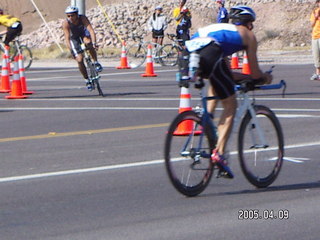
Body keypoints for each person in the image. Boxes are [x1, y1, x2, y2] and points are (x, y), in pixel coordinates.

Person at [181, 5, 272, 178]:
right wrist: (265, 77)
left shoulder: (220, 30)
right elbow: (255, 73)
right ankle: (219, 154)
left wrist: (242, 76)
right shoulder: (248, 35)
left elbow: (226, 72)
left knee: (217, 82)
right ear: (249, 24)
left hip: (189, 52)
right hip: (209, 52)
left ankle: (207, 122)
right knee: (231, 105)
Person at [62, 6, 103, 91]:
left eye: (72, 15)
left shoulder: (83, 18)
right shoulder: (66, 23)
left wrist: (94, 43)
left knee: (88, 43)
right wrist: (72, 51)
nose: (70, 18)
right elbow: (67, 39)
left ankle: (95, 62)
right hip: (74, 38)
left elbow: (91, 30)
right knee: (80, 60)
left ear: (77, 14)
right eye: (68, 16)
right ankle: (87, 79)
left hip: (83, 34)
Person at [310, 0, 320, 81]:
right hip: (315, 36)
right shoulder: (314, 12)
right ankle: (318, 74)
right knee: (316, 56)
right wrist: (316, 17)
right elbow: (312, 24)